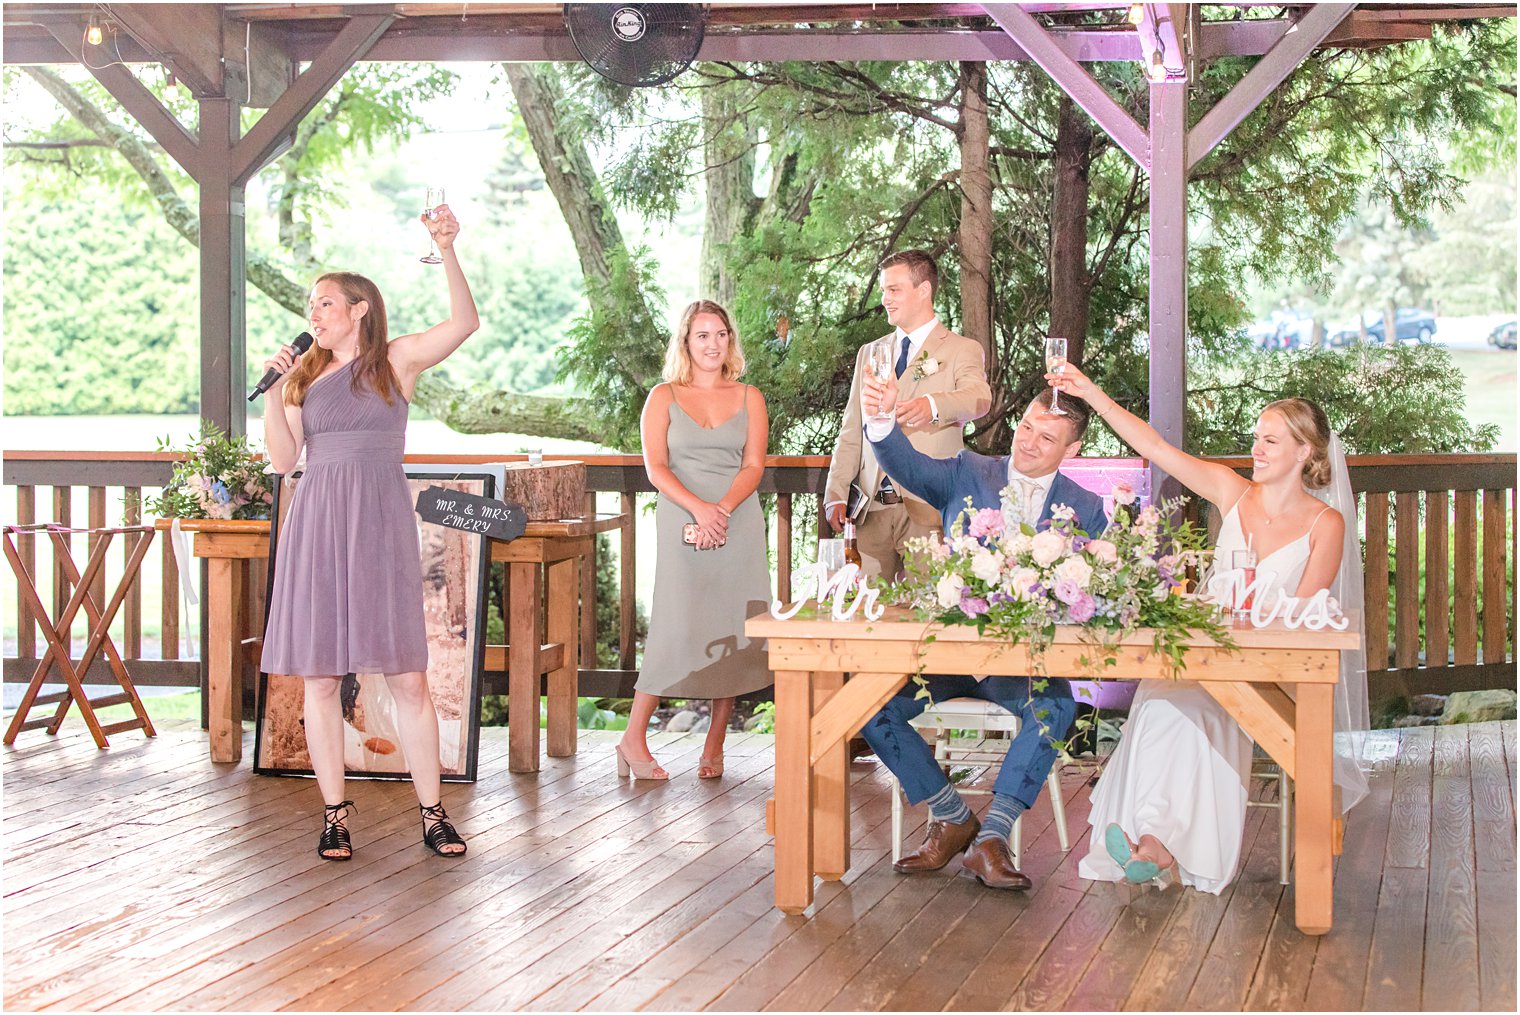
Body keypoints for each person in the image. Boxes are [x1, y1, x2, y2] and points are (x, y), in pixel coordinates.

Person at [1047, 363, 1369, 892]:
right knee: (1160, 700)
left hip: (1265, 671)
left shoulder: (1324, 525)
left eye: (1270, 441)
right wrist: (1091, 394)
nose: (1256, 450)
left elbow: (1307, 617)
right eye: (1256, 439)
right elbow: (1153, 447)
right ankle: (1153, 844)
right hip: (1200, 655)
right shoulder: (1232, 492)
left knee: (1186, 707)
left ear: (1305, 453)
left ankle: (1155, 841)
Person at [260, 204, 479, 862]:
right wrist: (272, 392)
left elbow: (465, 323)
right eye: (311, 304)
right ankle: (334, 813)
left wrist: (446, 247)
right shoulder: (301, 379)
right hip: (319, 525)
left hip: (378, 525)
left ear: (359, 308)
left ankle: (433, 811)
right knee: (322, 680)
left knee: (408, 678)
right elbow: (280, 461)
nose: (315, 313)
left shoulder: (395, 360)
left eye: (326, 302)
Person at [854, 370, 1108, 890]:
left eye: (1048, 437)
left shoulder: (1087, 510)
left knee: (1057, 706)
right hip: (946, 659)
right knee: (869, 706)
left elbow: (1096, 595)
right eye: (1028, 427)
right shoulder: (968, 470)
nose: (1030, 442)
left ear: (1072, 449)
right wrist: (881, 419)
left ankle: (991, 838)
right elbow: (905, 463)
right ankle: (951, 816)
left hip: (1019, 669)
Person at [617, 300, 773, 781]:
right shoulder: (663, 396)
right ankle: (632, 739)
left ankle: (715, 744)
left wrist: (721, 510)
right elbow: (655, 467)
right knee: (675, 625)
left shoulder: (750, 396)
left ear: (731, 340)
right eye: (703, 335)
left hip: (736, 520)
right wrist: (699, 509)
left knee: (733, 627)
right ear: (686, 341)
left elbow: (753, 465)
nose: (713, 344)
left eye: (721, 334)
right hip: (682, 518)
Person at [823, 250, 992, 580]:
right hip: (870, 510)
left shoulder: (961, 349)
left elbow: (979, 399)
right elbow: (852, 428)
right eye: (884, 290)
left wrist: (931, 406)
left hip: (927, 509)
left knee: (927, 615)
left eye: (894, 289)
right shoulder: (870, 353)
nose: (885, 298)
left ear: (924, 290)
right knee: (862, 612)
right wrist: (835, 493)